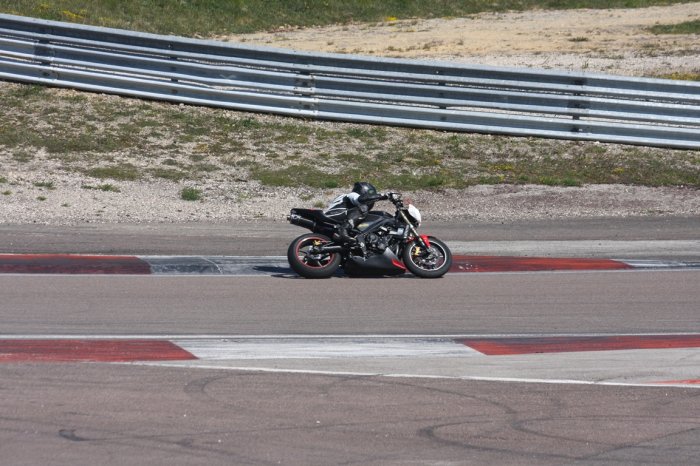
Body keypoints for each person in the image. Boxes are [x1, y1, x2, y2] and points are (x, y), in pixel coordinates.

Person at [323, 181, 382, 251]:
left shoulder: (344, 198)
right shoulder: (351, 195)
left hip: (332, 219)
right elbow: (360, 199)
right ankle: (344, 229)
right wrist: (383, 196)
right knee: (363, 208)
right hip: (334, 216)